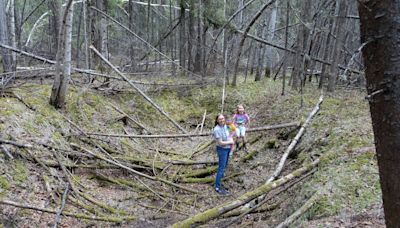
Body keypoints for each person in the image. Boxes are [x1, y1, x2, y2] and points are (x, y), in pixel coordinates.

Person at [213, 114, 234, 195]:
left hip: (228, 148)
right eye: (220, 119)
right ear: (217, 120)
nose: (222, 120)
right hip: (222, 150)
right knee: (221, 168)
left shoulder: (225, 126)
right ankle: (217, 187)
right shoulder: (216, 129)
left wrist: (231, 138)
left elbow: (229, 134)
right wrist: (230, 142)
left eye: (223, 118)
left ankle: (220, 181)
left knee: (224, 166)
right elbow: (220, 143)